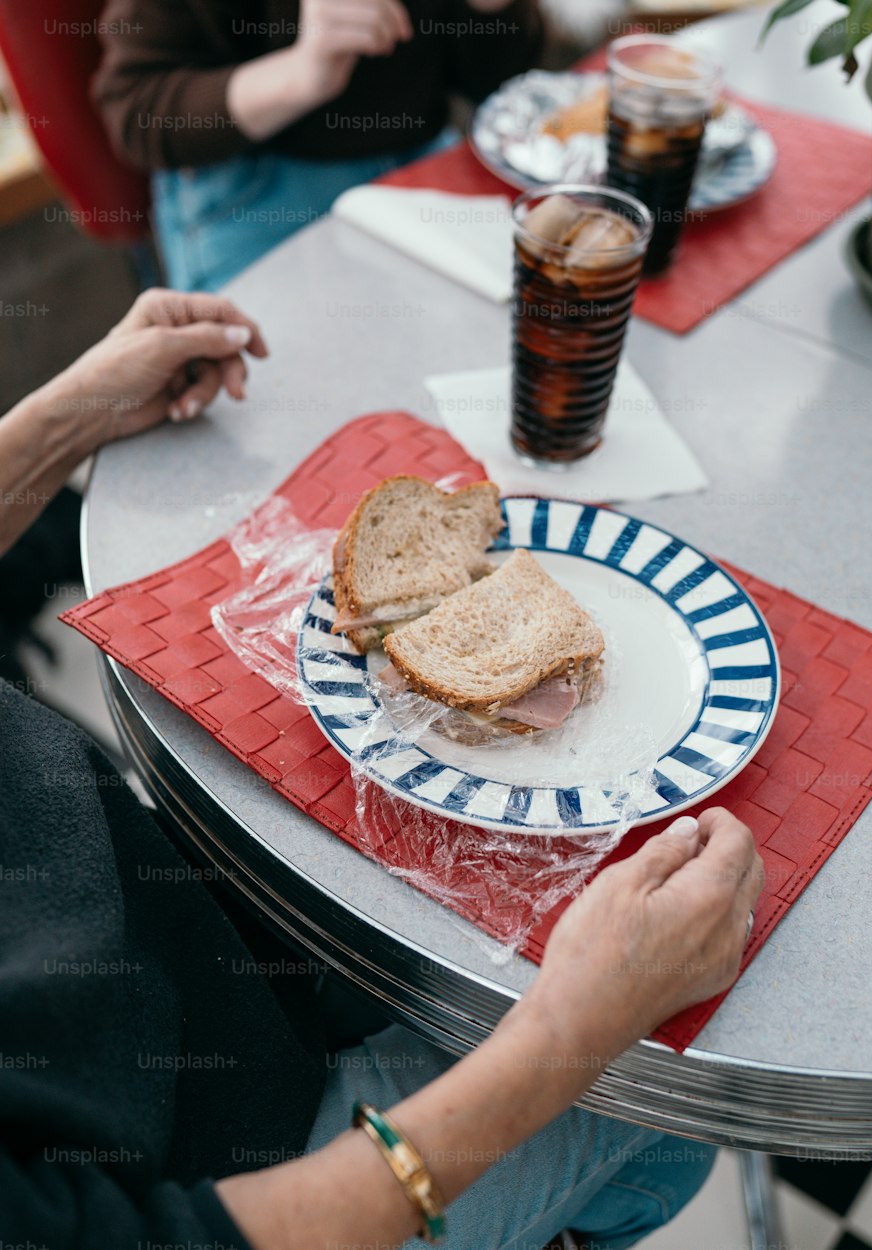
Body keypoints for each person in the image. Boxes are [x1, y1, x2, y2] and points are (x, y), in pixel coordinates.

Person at [0, 289, 764, 1250]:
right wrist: (568, 1035)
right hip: (258, 1157)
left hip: (194, 946)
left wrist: (66, 414)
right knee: (666, 1111)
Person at [92, 0, 544, 290]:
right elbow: (136, 108)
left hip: (419, 159)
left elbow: (507, 82)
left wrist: (493, 11)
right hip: (255, 184)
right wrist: (301, 71)